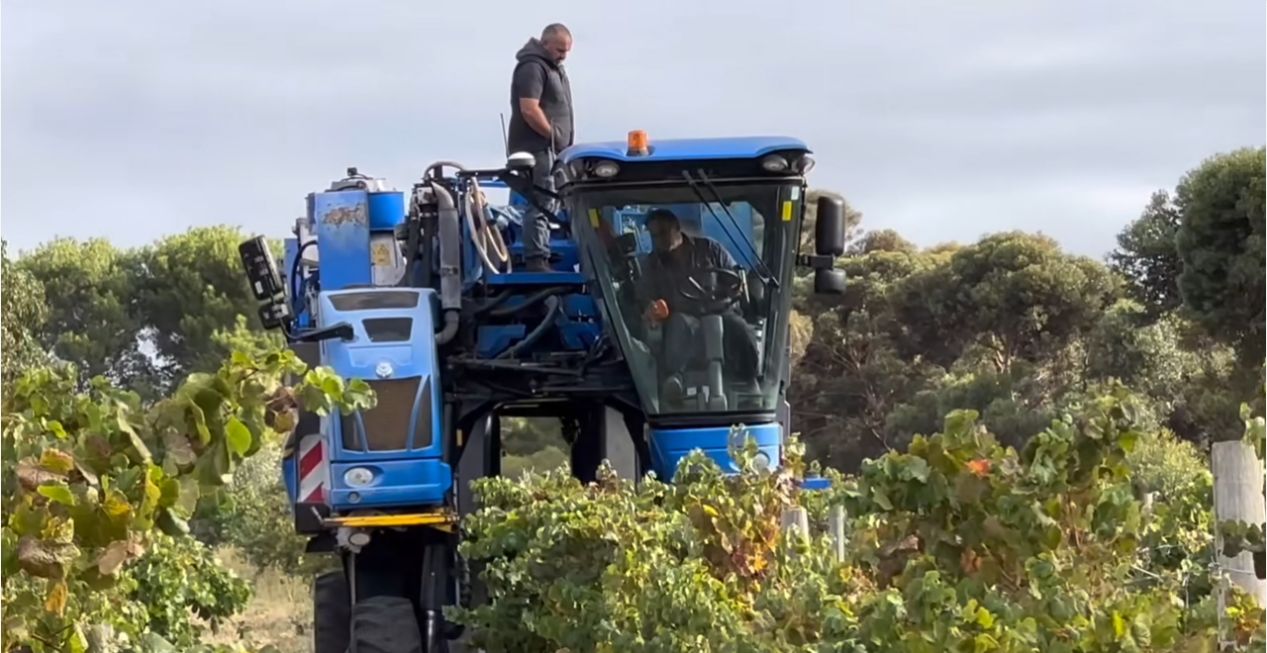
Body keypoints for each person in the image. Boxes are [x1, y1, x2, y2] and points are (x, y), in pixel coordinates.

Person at [635, 208, 760, 405]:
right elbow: (644, 296)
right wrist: (651, 307)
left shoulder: (711, 249)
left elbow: (734, 277)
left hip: (721, 311)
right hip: (683, 316)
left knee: (740, 328)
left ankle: (750, 382)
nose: (659, 239)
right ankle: (675, 381)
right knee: (678, 326)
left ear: (677, 228)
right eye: (654, 235)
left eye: (663, 232)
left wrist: (736, 287)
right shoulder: (652, 264)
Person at [508, 23, 575, 272]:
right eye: (559, 49)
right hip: (537, 148)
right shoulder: (533, 67)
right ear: (545, 44)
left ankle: (543, 252)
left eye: (567, 51)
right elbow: (529, 108)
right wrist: (553, 135)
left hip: (552, 148)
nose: (563, 55)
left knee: (552, 201)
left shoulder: (554, 68)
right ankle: (536, 258)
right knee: (541, 200)